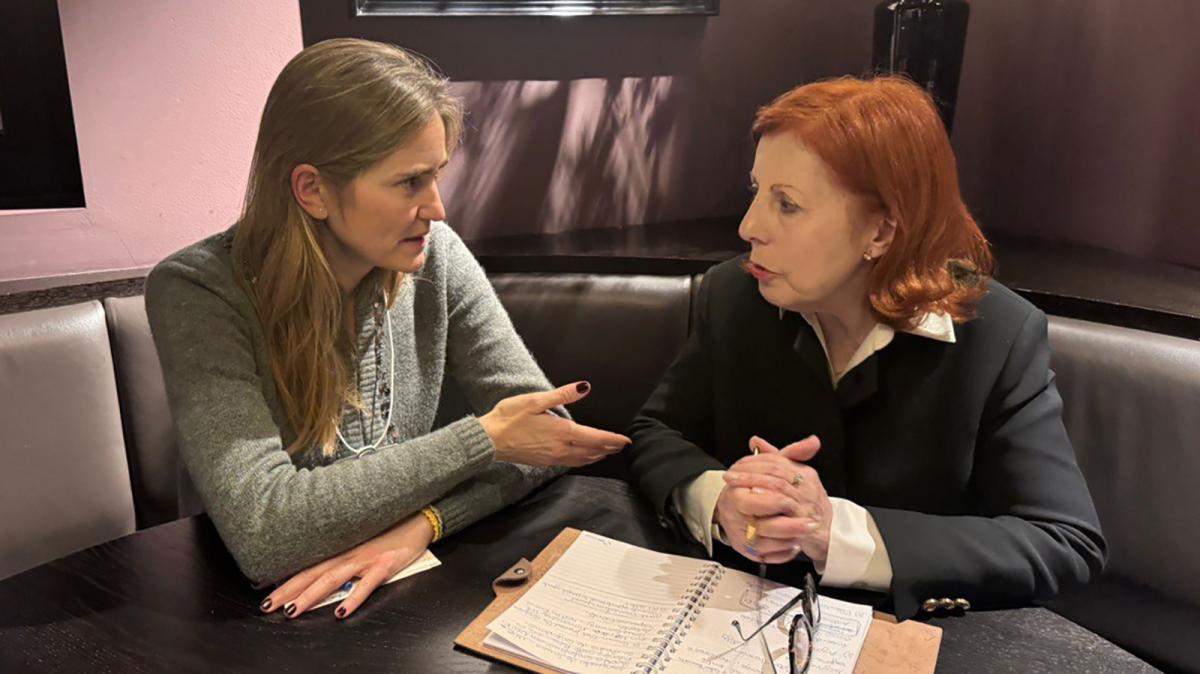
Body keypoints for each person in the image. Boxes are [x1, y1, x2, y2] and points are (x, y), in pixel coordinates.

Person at [145, 38, 629, 620]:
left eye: (438, 176)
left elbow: (547, 439)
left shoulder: (435, 254)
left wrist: (424, 526)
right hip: (242, 617)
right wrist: (482, 440)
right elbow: (266, 532)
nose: (438, 208)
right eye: (409, 183)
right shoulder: (198, 290)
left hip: (391, 597)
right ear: (313, 190)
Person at [626, 76, 1105, 619]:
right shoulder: (736, 295)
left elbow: (1064, 542)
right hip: (739, 623)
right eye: (755, 191)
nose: (748, 226)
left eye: (787, 204)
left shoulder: (997, 335)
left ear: (882, 231)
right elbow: (657, 432)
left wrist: (837, 534)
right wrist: (719, 501)